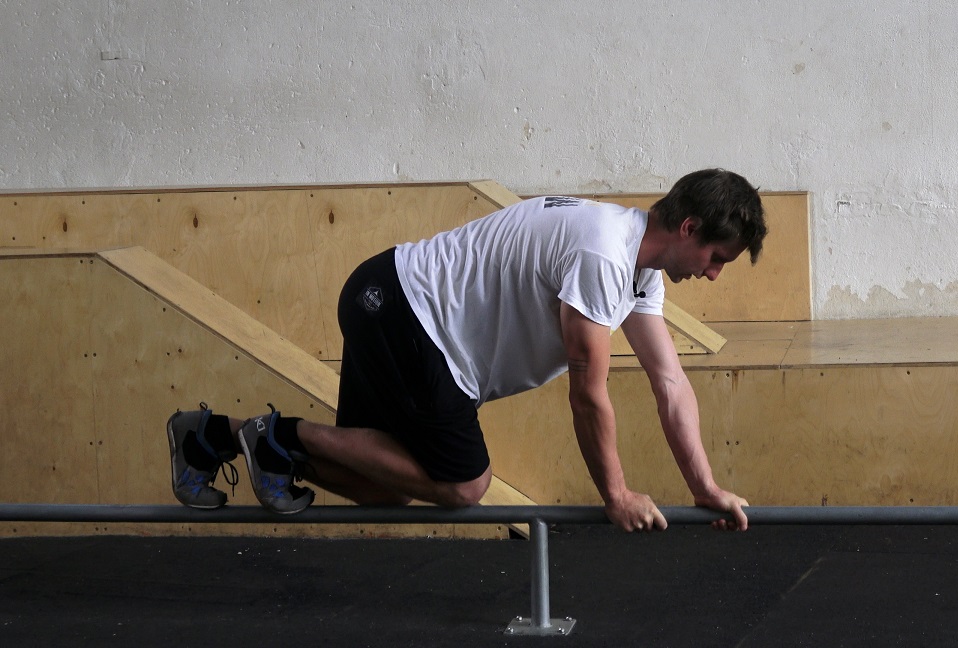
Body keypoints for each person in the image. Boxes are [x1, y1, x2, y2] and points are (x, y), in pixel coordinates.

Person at [166, 168, 766, 532]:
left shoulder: (639, 269)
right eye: (718, 259)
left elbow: (670, 384)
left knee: (385, 487)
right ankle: (279, 438)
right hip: (407, 309)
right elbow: (587, 393)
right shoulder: (604, 254)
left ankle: (210, 437)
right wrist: (616, 495)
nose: (714, 275)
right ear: (688, 229)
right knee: (463, 486)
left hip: (393, 299)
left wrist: (704, 486)